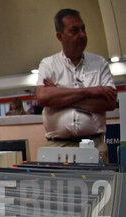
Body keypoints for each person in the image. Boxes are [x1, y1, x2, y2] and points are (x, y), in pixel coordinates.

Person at [36, 8, 117, 163]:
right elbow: (43, 97)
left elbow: (109, 102)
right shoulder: (48, 64)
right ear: (60, 36)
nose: (82, 34)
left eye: (83, 29)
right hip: (57, 147)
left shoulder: (100, 63)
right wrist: (91, 91)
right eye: (74, 31)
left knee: (96, 187)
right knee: (57, 187)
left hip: (95, 146)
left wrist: (60, 95)